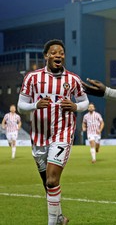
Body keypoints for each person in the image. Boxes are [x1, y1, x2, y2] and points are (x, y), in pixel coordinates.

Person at [17, 39, 89, 225]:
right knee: (47, 183)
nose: (58, 55)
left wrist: (75, 106)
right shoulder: (32, 78)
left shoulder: (72, 79)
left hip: (62, 133)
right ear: (46, 56)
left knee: (51, 180)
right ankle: (59, 218)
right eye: (54, 52)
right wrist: (35, 105)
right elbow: (20, 106)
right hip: (39, 136)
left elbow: (85, 102)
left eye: (61, 53)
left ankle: (52, 223)